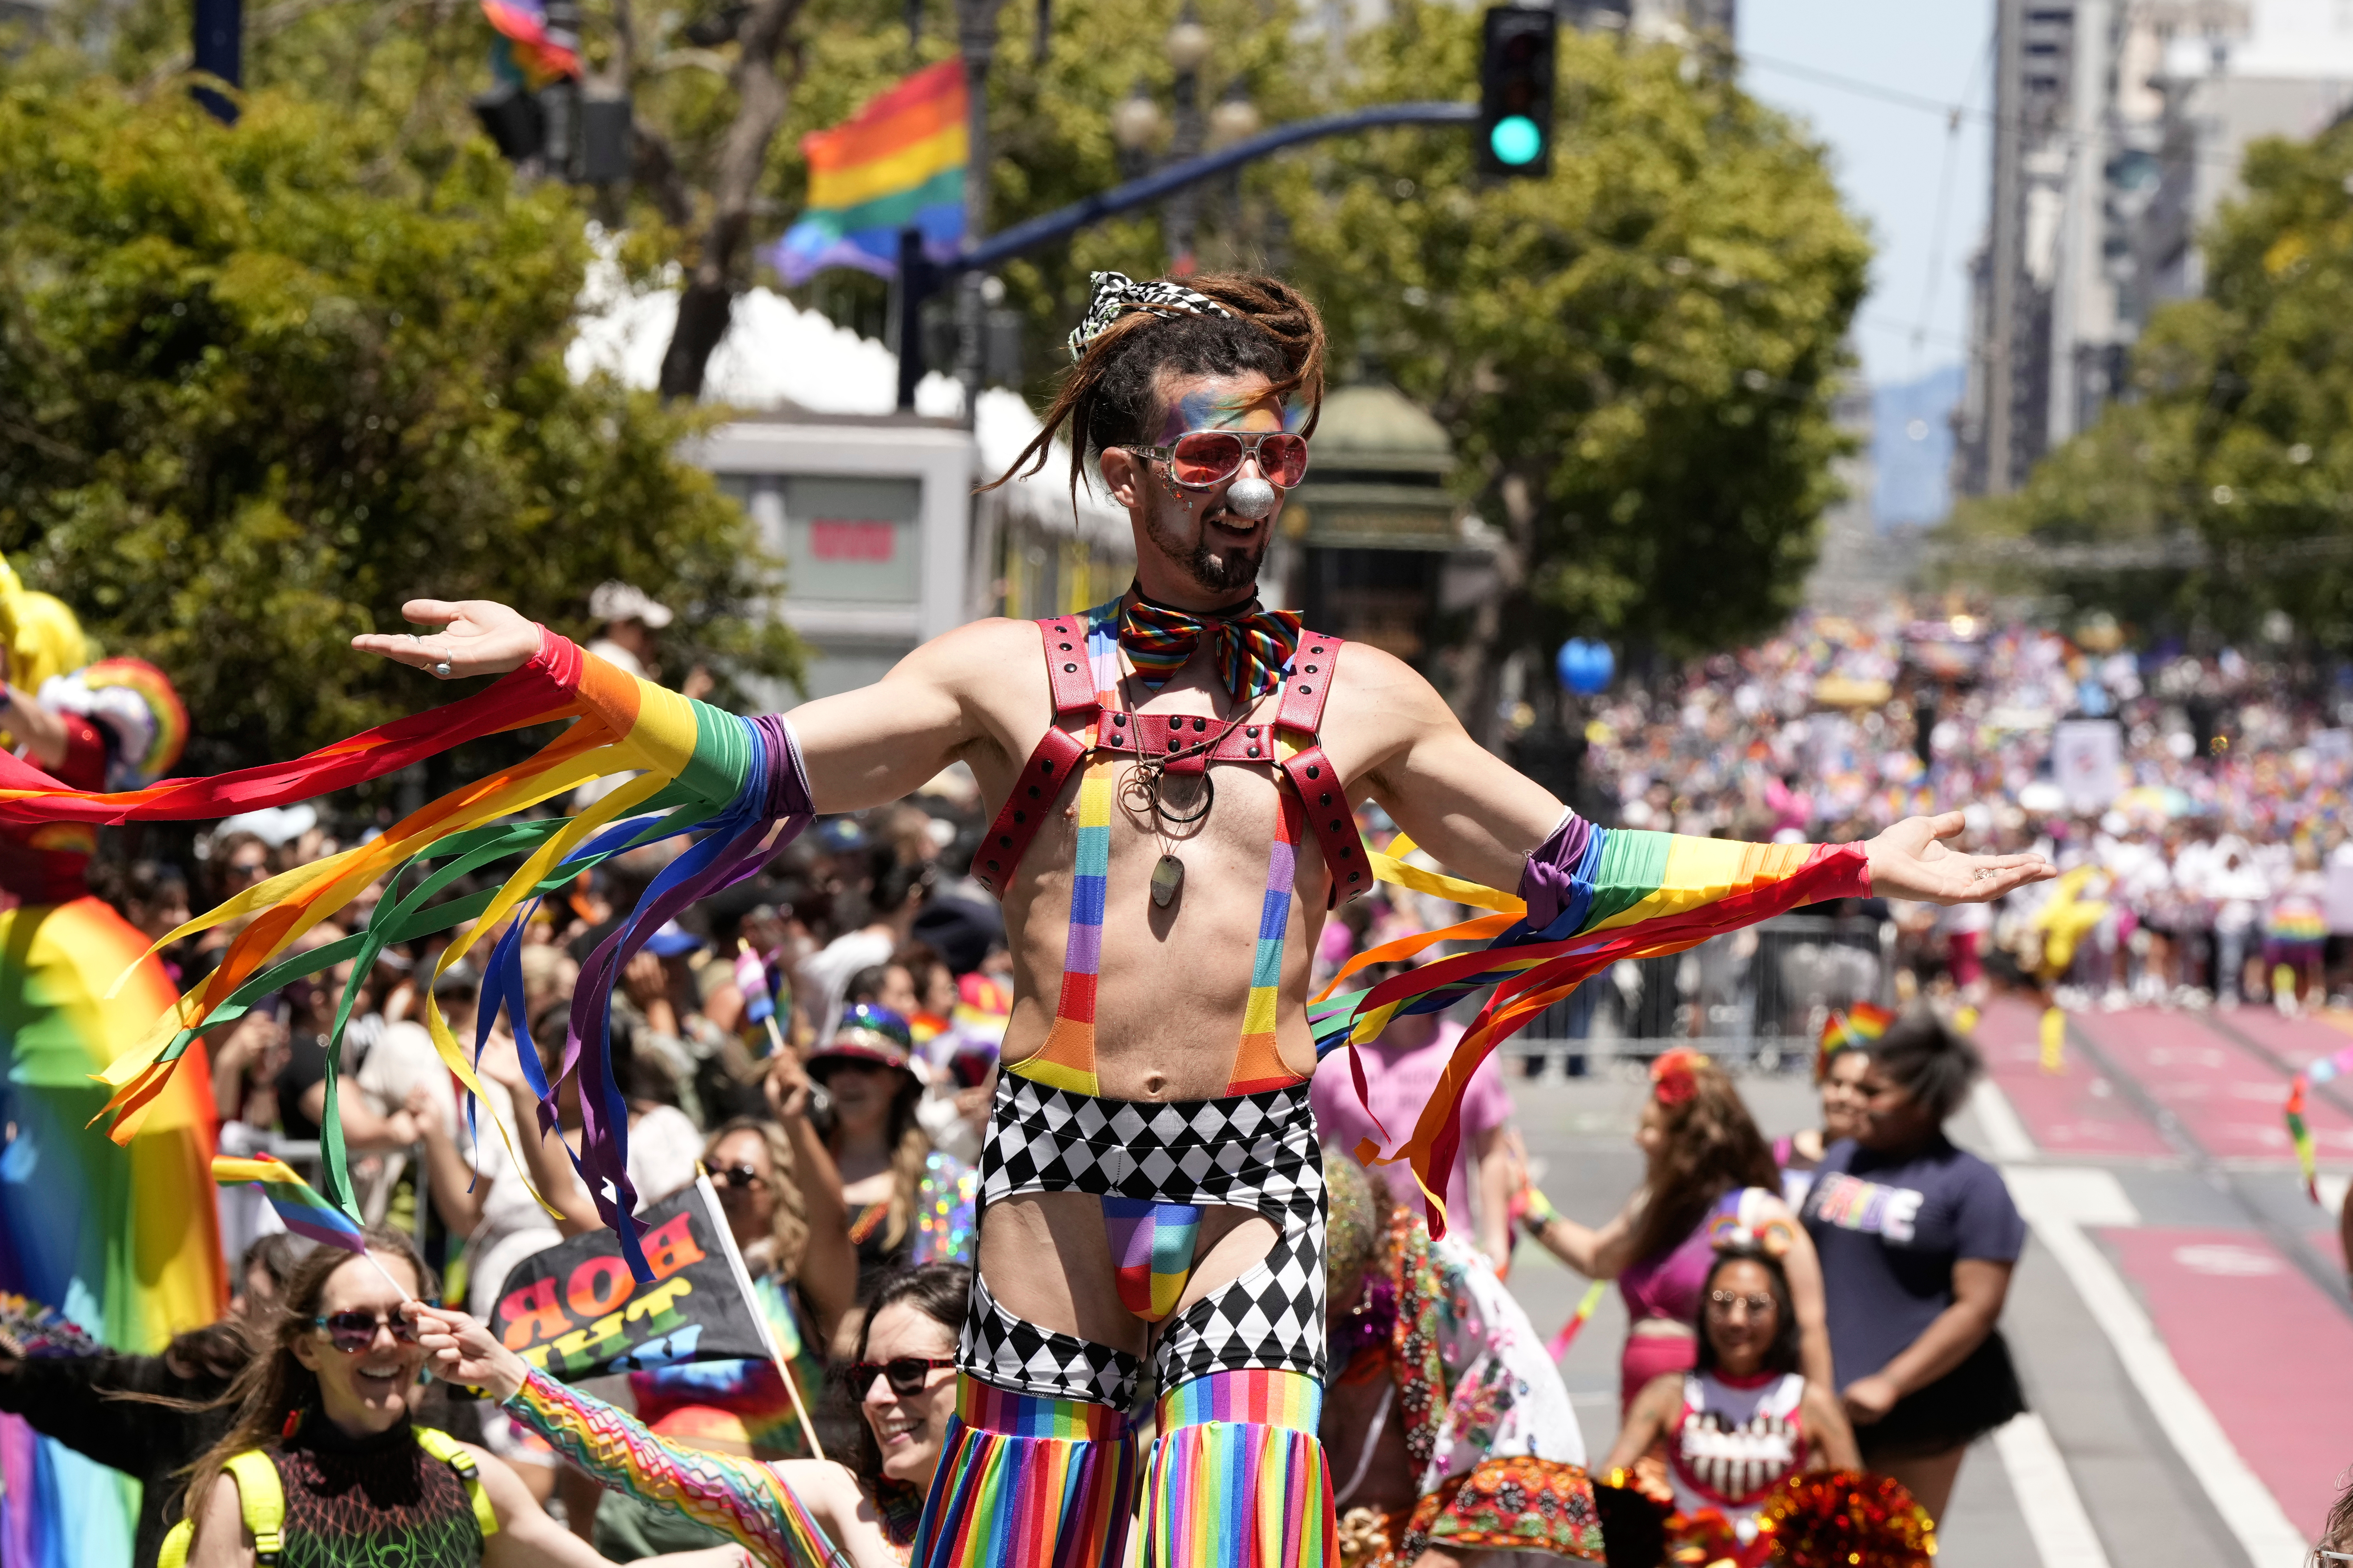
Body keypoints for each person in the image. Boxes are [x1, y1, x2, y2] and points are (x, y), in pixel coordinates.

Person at [14, 270, 2052, 1568]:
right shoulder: (1008, 673)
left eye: (1278, 445)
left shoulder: (1360, 697)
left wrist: (1854, 860)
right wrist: (563, 666)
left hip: (1257, 1155)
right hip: (1054, 1157)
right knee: (1022, 1534)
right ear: (1123, 467)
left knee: (1241, 1527)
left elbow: (1582, 866)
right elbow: (760, 767)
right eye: (1211, 447)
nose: (1252, 481)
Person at [0, 563, 225, 1567]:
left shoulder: (53, 723)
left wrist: (34, 724)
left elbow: (82, 748)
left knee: (87, 1290)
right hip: (42, 999)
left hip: (79, 1012)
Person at [171, 1228, 743, 1568]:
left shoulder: (469, 1478)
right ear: (305, 1347)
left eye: (404, 1321)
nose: (382, 1343)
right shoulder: (248, 1496)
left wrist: (763, 1549)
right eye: (351, 1325)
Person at [410, 1264, 975, 1568]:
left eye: (907, 1372)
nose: (877, 1396)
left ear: (981, 1378)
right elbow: (656, 1468)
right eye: (863, 1377)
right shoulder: (840, 1501)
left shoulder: (1053, 1504)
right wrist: (509, 1378)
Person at [1512, 1049, 1841, 1418]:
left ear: (1690, 1142)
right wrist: (1527, 1205)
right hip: (1643, 1424)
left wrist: (1820, 1435)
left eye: (1650, 1129)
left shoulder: (1759, 1215)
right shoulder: (1651, 1205)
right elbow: (1596, 1258)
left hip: (1724, 1432)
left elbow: (1811, 1330)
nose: (1639, 1140)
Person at [1799, 1008, 2026, 1527]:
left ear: (1924, 1102)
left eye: (1874, 1092)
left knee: (1890, 1551)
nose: (1856, 1102)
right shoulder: (1841, 1160)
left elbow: (1978, 1306)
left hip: (1918, 1408)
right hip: (1821, 1397)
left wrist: (1891, 1382)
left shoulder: (1972, 1185)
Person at [1319, 1154, 1602, 1566]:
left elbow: (1515, 1412)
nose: (1319, 1318)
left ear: (1370, 1260)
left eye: (1335, 1301)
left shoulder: (1443, 1282)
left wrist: (1446, 1553)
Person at [0, 1234, 309, 1568]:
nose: (235, 1307)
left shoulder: (327, 1425)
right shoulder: (200, 1381)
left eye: (255, 1300)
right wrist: (18, 1369)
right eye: (239, 1292)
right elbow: (103, 1393)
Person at [1602, 1244, 1858, 1559]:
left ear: (1782, 1313)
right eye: (1722, 1304)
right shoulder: (1667, 1395)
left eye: (1756, 1306)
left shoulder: (1813, 1404)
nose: (1736, 1321)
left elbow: (1859, 1507)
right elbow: (1608, 1485)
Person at [1311, 960, 1516, 1272]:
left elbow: (1491, 1151)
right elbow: (1312, 1157)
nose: (1394, 977)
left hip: (1449, 1252)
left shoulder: (1469, 1046)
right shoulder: (1339, 1059)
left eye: (1409, 966)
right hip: (1365, 1255)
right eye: (1382, 968)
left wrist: (1497, 1243)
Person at [810, 1003, 976, 1300]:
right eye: (837, 1067)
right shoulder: (800, 1163)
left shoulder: (947, 1181)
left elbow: (948, 1293)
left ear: (898, 1081)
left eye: (866, 1068)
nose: (848, 1080)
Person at [1773, 1009, 1878, 1210]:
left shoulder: (1889, 1166)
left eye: (1861, 1088)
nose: (1845, 1097)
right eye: (1836, 1084)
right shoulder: (1780, 1153)